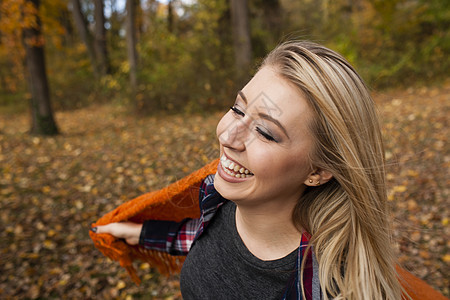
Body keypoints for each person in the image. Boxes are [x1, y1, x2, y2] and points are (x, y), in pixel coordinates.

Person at [92, 41, 404, 299]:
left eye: (266, 133)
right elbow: (206, 241)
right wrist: (140, 233)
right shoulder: (218, 197)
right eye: (237, 109)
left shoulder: (323, 288)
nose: (227, 136)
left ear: (319, 170)